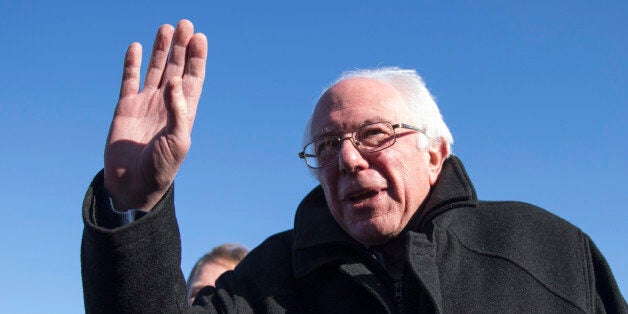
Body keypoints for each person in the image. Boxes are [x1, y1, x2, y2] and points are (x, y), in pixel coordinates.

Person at [81, 20, 627, 313]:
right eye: (325, 147)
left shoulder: (545, 248)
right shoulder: (266, 281)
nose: (345, 158)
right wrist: (133, 201)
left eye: (373, 135)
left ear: (435, 149)